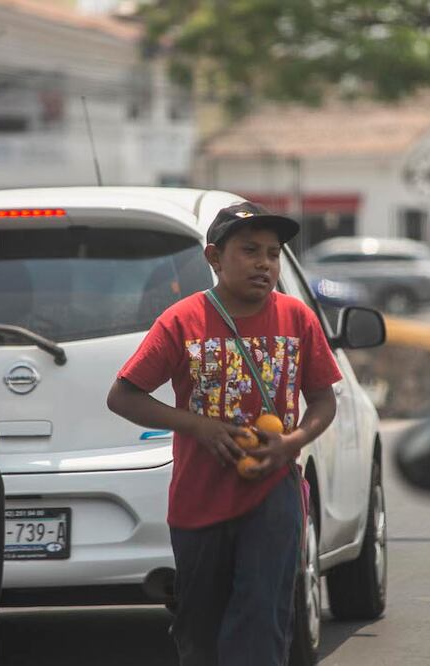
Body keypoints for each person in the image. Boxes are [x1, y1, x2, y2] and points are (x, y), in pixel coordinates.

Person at [106, 201, 341, 666]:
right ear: (214, 257)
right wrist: (198, 425)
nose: (264, 263)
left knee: (263, 620)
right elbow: (123, 396)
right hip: (199, 500)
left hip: (274, 496)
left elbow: (323, 399)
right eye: (249, 250)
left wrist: (293, 443)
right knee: (200, 630)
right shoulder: (182, 321)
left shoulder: (298, 319)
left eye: (273, 253)